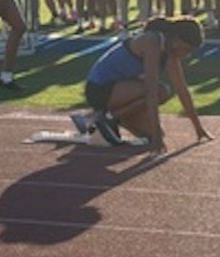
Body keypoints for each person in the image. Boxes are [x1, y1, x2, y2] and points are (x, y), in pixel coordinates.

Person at [85, 16, 213, 154]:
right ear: (176, 41)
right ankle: (107, 118)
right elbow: (150, 91)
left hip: (121, 89)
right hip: (99, 89)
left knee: (152, 130)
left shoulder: (170, 51)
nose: (188, 55)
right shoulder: (152, 42)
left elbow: (182, 90)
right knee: (160, 92)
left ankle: (113, 117)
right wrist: (157, 136)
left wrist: (199, 129)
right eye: (187, 49)